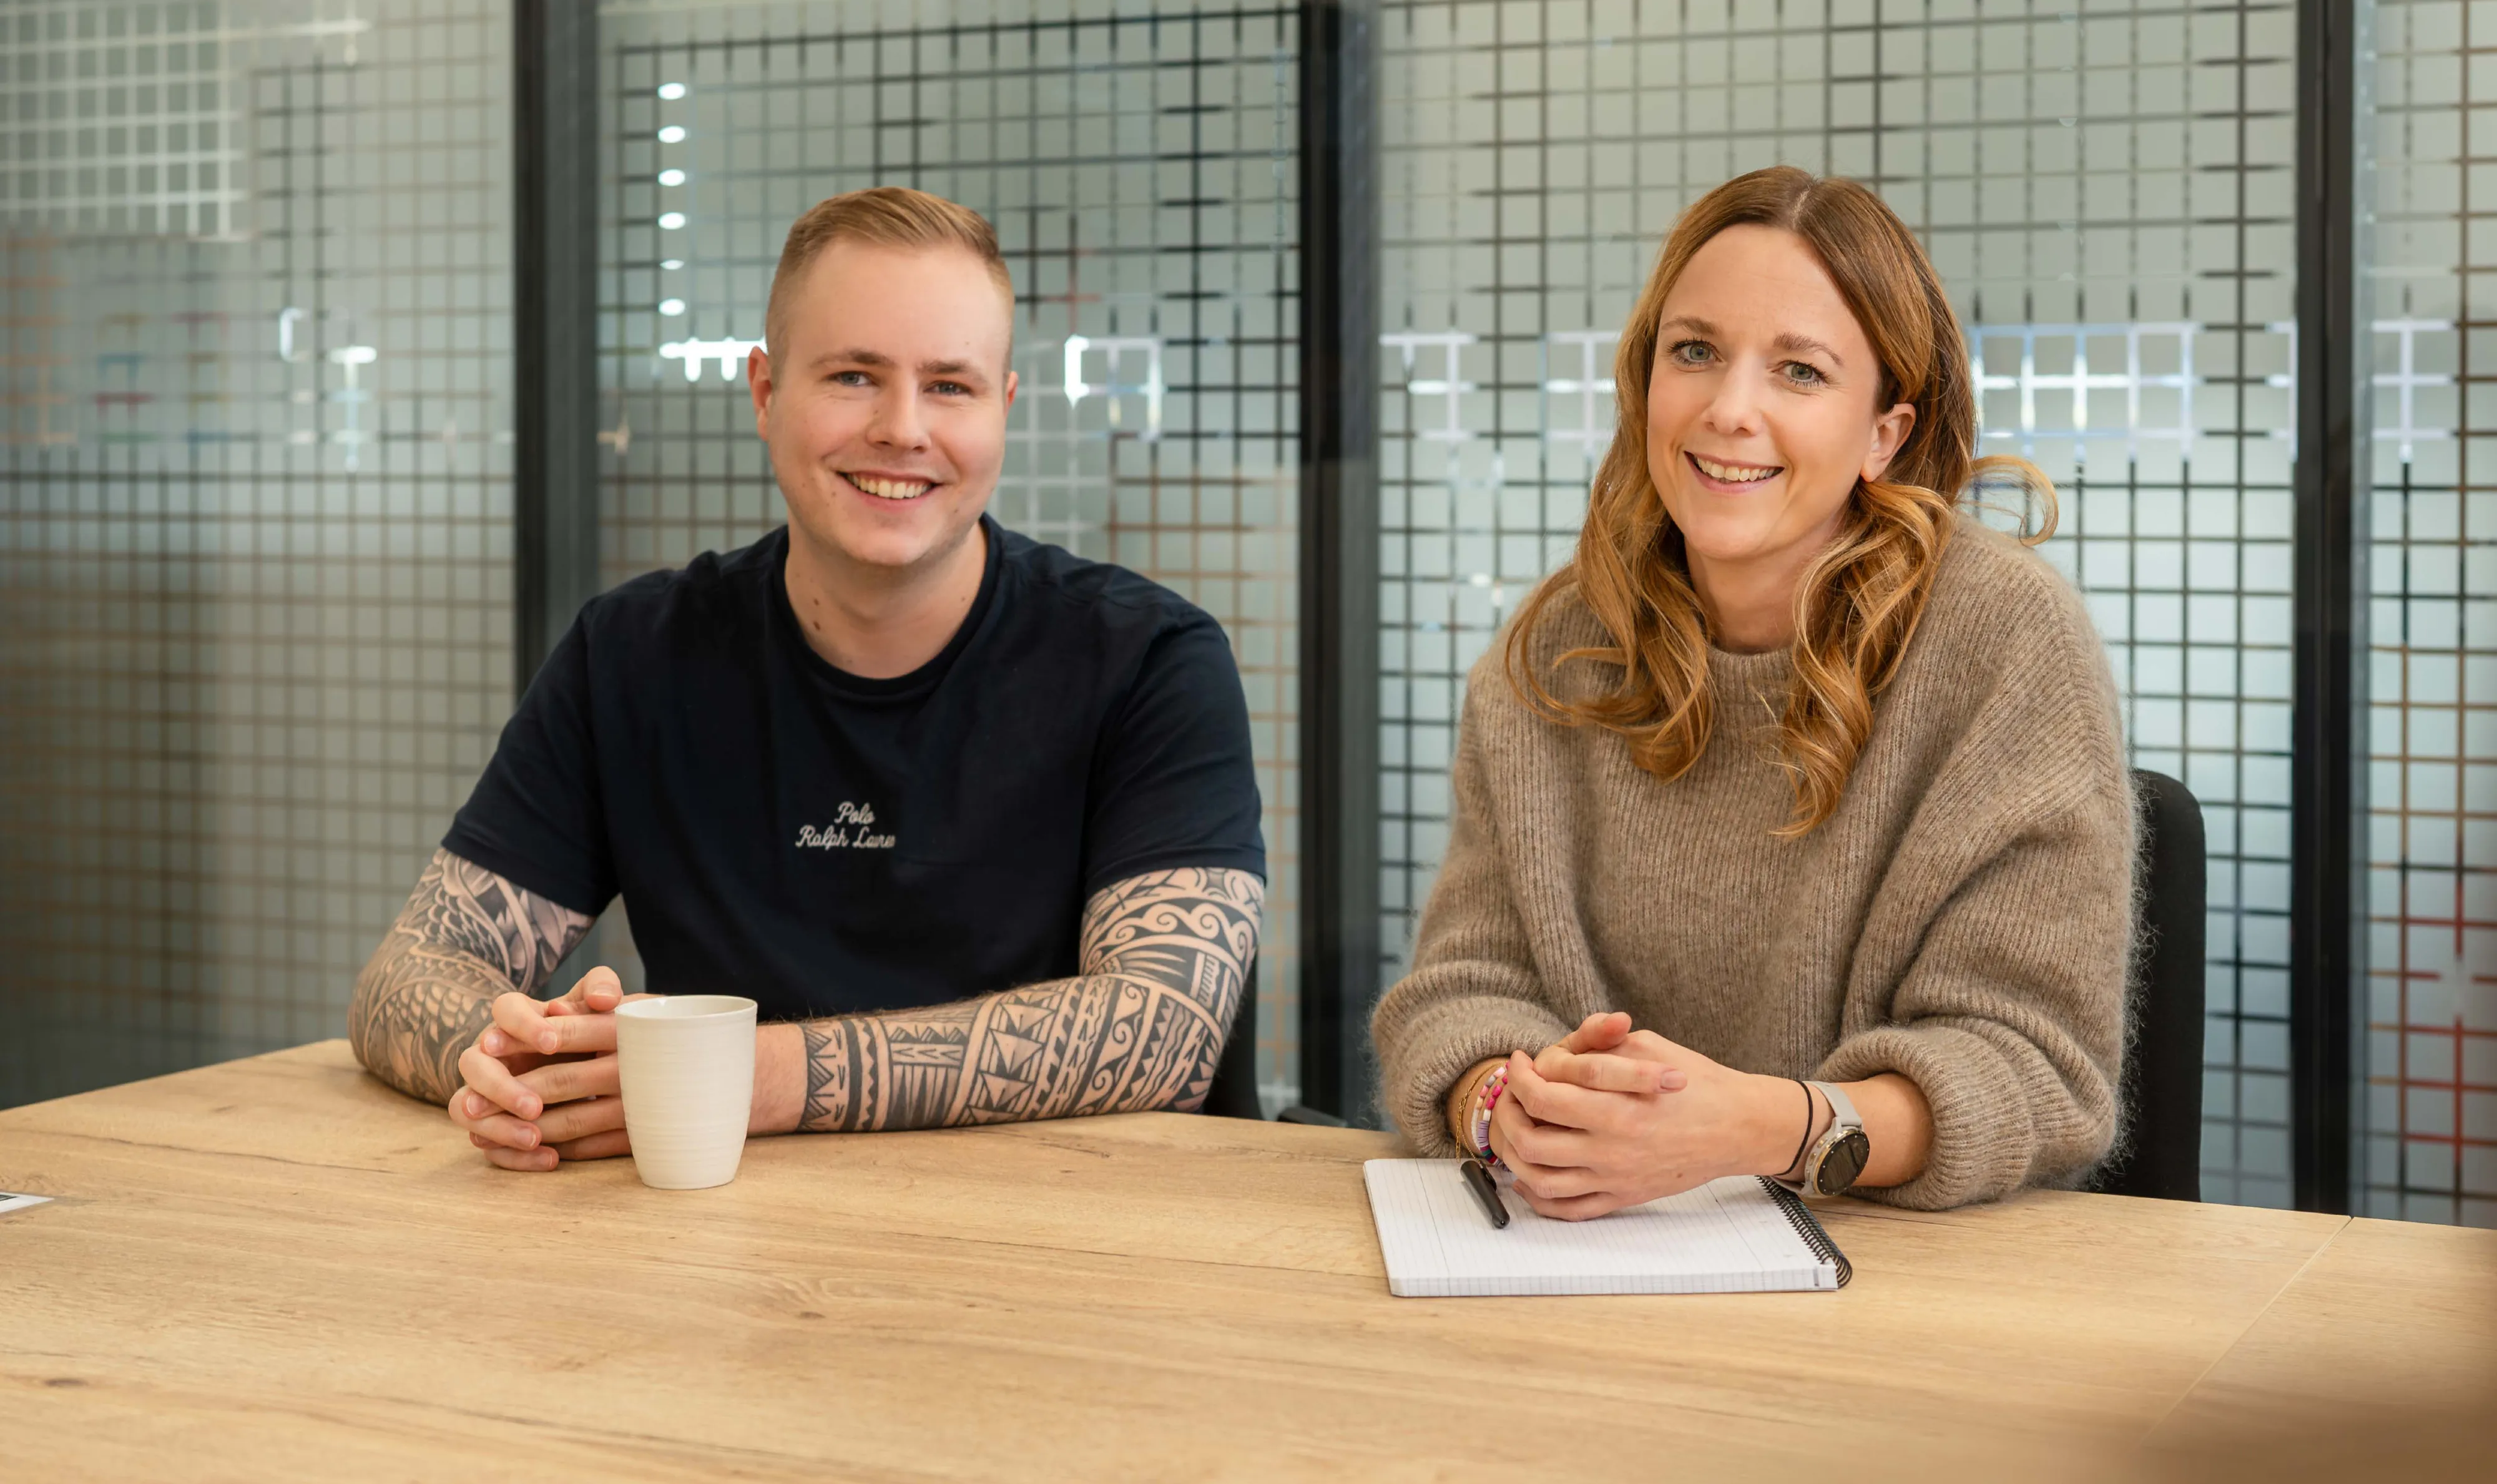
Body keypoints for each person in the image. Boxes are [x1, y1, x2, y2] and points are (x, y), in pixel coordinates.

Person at [348, 187, 1265, 1168]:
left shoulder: (1151, 661)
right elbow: (404, 976)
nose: (903, 428)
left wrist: (737, 1073)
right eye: (853, 376)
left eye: (950, 386)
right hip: (718, 1249)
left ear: (1003, 409)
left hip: (1070, 1252)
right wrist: (528, 1064)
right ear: (765, 392)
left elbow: (1165, 1028)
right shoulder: (632, 654)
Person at [1371, 165, 2134, 1217]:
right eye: (1695, 352)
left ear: (1886, 433)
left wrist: (1754, 1129)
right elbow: (1459, 990)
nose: (1730, 410)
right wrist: (1509, 1104)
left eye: (1800, 372)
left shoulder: (2005, 642)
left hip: (1908, 1281)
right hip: (1577, 1251)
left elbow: (2033, 1067)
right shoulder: (1556, 648)